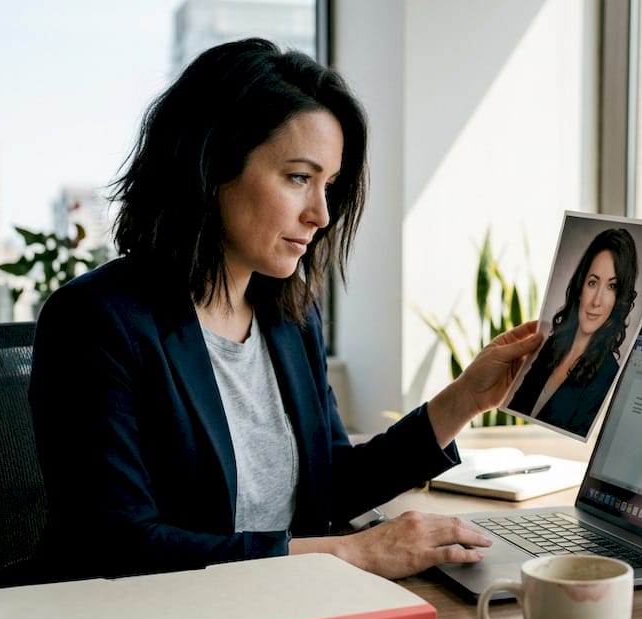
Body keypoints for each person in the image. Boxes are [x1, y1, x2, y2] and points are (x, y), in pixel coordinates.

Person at [28, 38, 542, 583]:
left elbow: (330, 482)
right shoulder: (95, 321)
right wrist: (351, 554)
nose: (321, 214)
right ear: (212, 167)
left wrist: (465, 398)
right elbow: (121, 546)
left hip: (285, 606)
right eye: (299, 178)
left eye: (330, 186)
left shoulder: (288, 316)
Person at [506, 228, 638, 437]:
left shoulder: (608, 374)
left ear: (618, 300)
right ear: (580, 287)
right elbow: (517, 406)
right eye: (593, 283)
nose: (596, 301)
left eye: (611, 287)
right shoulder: (552, 346)